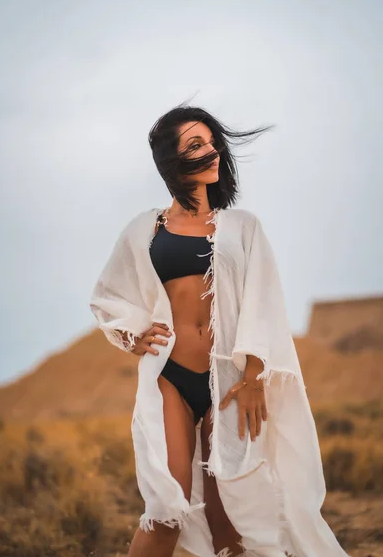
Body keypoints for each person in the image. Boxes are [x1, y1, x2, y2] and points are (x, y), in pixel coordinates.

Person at [90, 104, 350, 557]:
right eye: (195, 145)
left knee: (226, 518)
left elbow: (263, 301)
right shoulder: (145, 228)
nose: (211, 151)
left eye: (212, 142)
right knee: (165, 509)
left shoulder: (242, 227)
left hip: (228, 385)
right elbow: (109, 294)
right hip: (170, 376)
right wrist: (133, 334)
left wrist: (253, 378)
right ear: (172, 161)